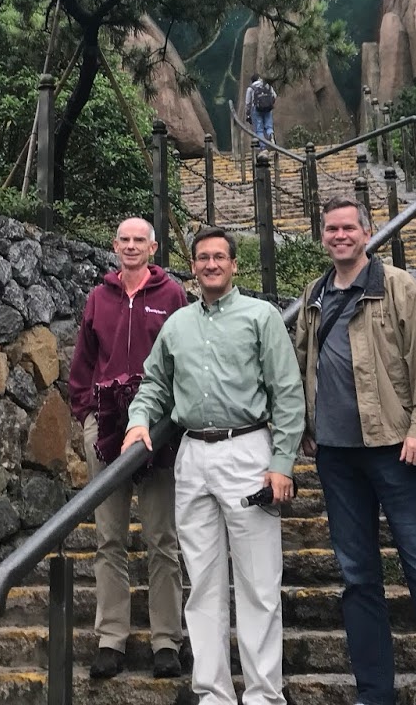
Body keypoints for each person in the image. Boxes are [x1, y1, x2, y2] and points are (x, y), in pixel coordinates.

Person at [293, 197, 416, 705]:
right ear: (322, 236)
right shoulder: (314, 294)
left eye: (348, 228)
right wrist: (305, 425)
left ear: (367, 232)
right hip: (335, 455)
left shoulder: (399, 287)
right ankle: (375, 692)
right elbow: (302, 362)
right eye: (331, 229)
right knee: (357, 577)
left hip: (396, 448)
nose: (340, 236)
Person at [123, 226, 304, 705]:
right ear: (193, 266)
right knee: (202, 583)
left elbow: (287, 392)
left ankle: (264, 695)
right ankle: (213, 694)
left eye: (219, 257)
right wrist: (138, 421)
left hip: (247, 450)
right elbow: (154, 384)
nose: (210, 264)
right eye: (202, 258)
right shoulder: (178, 325)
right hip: (193, 454)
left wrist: (283, 462)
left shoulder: (261, 317)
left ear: (234, 264)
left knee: (258, 583)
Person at [66, 217, 188, 680]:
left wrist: (173, 419)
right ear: (115, 245)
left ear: (154, 247)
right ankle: (111, 638)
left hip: (158, 427)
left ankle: (166, 640)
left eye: (140, 240)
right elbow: (83, 361)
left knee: (162, 537)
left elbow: (184, 358)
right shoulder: (99, 297)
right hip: (106, 427)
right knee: (109, 536)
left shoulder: (172, 296)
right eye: (125, 240)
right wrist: (86, 413)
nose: (132, 246)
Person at [244, 75, 277, 143]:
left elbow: (248, 103)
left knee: (259, 130)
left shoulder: (251, 88)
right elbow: (274, 96)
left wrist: (248, 114)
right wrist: (269, 104)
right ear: (259, 79)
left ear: (252, 81)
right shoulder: (267, 85)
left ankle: (263, 147)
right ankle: (271, 136)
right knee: (269, 126)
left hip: (256, 109)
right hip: (268, 108)